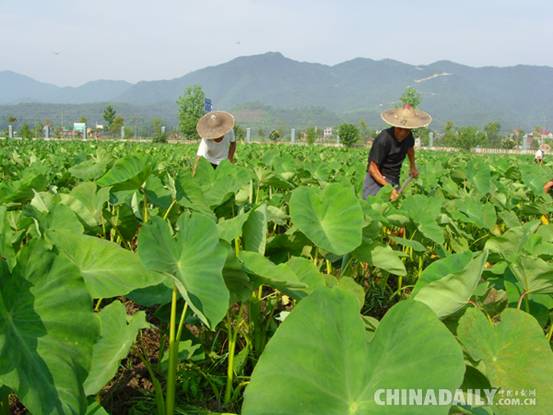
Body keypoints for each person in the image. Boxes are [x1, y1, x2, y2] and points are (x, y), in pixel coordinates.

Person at [363, 104, 432, 201]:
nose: (402, 133)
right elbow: (372, 168)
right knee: (372, 208)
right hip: (376, 179)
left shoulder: (408, 136)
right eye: (399, 129)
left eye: (406, 130)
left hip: (393, 177)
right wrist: (388, 188)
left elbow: (410, 149)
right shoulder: (383, 139)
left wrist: (412, 166)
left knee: (392, 208)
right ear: (394, 125)